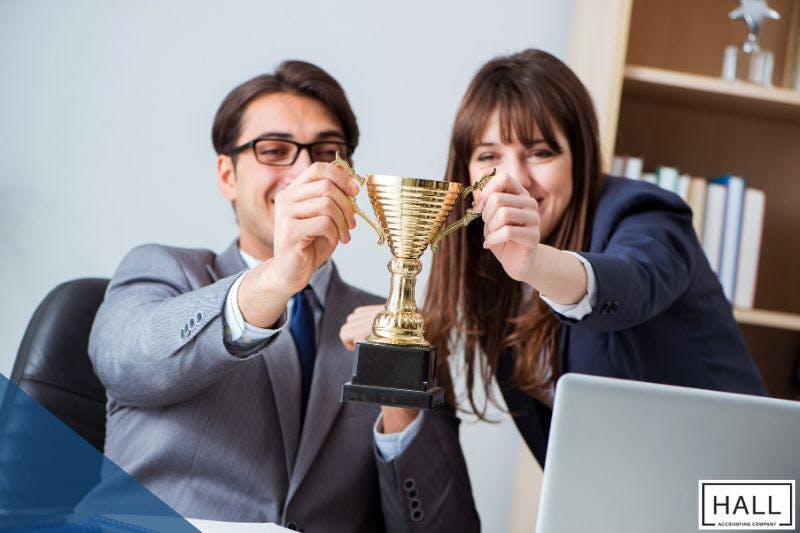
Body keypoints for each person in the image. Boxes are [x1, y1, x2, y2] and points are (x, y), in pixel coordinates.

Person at [88, 60, 478, 532]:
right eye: (274, 150)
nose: (304, 173)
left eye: (328, 152)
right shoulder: (162, 271)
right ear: (227, 175)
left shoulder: (393, 324)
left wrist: (399, 399)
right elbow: (126, 364)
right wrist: (277, 278)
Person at [346, 49, 766, 469]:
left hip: (739, 485)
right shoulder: (488, 273)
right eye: (489, 156)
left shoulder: (644, 212)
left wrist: (536, 263)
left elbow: (633, 280)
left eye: (540, 152)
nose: (512, 179)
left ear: (578, 159)